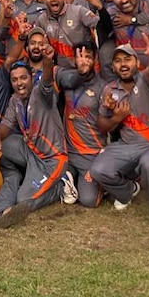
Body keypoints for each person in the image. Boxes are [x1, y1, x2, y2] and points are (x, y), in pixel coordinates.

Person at [88, 40, 149, 234]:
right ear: (113, 66)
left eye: (127, 59)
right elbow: (102, 125)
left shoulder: (147, 81)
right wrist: (117, 118)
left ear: (137, 63)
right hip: (127, 145)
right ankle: (128, 191)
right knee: (98, 169)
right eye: (118, 61)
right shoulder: (110, 90)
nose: (123, 64)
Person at [0, 44, 67, 228]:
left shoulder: (41, 94)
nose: (19, 83)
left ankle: (60, 186)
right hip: (31, 152)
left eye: (23, 78)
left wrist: (48, 63)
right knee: (1, 147)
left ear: (32, 77)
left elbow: (47, 81)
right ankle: (14, 176)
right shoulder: (15, 99)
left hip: (52, 159)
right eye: (15, 80)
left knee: (23, 198)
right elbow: (7, 125)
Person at [56, 41, 109, 207]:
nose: (84, 61)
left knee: (88, 201)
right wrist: (79, 73)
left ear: (95, 59)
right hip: (68, 152)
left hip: (91, 154)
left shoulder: (103, 87)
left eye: (88, 57)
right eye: (80, 57)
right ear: (73, 59)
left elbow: (105, 125)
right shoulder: (67, 80)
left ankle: (105, 182)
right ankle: (69, 178)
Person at [35, 0, 99, 69]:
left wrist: (100, 8)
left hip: (85, 68)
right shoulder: (41, 20)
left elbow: (102, 26)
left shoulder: (79, 11)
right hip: (59, 71)